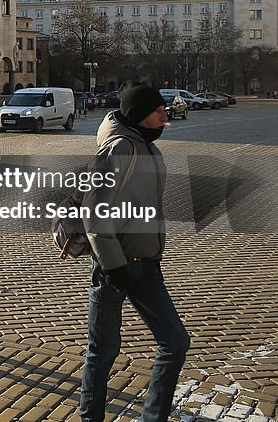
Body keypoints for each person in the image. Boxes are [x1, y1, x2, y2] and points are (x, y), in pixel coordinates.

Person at [79, 81, 190, 422]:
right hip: (115, 269)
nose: (164, 113)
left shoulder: (148, 146)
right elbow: (93, 209)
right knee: (103, 352)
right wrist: (114, 265)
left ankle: (153, 417)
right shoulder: (119, 148)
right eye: (157, 110)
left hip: (147, 266)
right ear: (140, 114)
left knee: (175, 342)